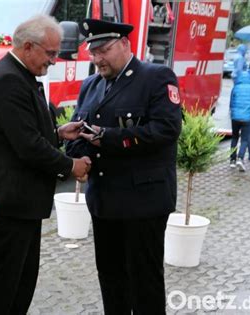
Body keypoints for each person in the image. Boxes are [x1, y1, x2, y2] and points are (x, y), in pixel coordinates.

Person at [0, 15, 91, 315]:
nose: (54, 60)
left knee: (21, 283)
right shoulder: (9, 79)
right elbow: (27, 146)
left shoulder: (20, 76)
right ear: (27, 47)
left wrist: (58, 133)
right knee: (4, 285)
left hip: (18, 202)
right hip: (5, 201)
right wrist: (70, 165)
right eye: (50, 53)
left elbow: (25, 134)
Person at [66, 19, 182, 314]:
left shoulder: (156, 77)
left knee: (145, 284)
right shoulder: (91, 85)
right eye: (93, 53)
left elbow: (166, 130)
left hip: (143, 202)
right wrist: (78, 152)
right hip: (104, 202)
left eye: (103, 50)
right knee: (111, 280)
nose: (97, 59)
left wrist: (108, 138)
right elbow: (80, 134)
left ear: (125, 44)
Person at [229, 71, 250, 171]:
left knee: (234, 137)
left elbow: (231, 102)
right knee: (244, 139)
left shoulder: (236, 87)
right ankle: (240, 158)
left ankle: (232, 160)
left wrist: (232, 113)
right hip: (247, 118)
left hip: (235, 117)